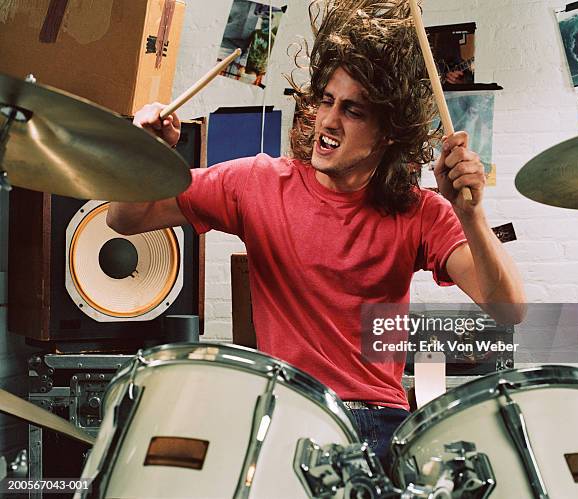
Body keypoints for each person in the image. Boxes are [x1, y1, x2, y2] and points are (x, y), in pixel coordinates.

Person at [107, 0, 525, 471]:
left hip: (378, 422)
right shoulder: (254, 183)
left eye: (352, 110)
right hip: (289, 413)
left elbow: (509, 308)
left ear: (387, 133)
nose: (328, 120)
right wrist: (142, 152)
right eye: (326, 100)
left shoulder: (420, 211)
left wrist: (471, 214)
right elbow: (125, 219)